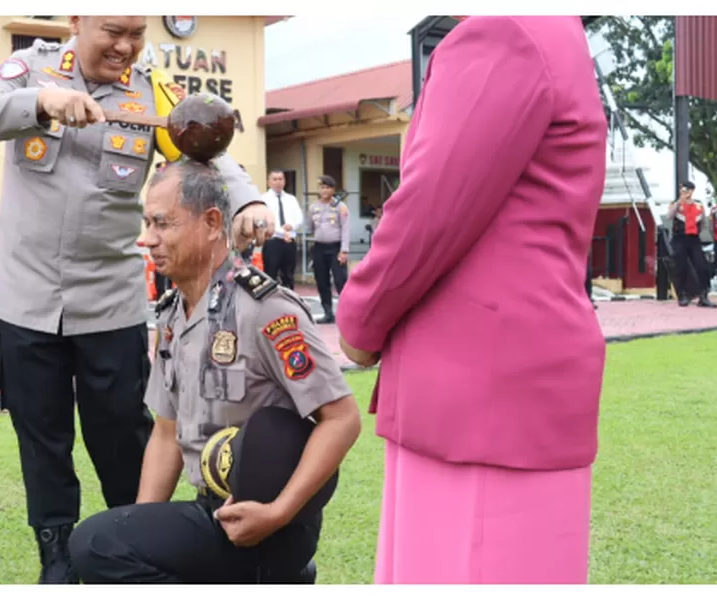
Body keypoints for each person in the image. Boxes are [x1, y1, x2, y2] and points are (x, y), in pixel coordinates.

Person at [0, 16, 278, 583]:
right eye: (111, 32)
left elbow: (209, 152)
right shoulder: (30, 69)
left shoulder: (153, 90)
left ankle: (134, 545)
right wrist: (42, 100)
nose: (125, 47)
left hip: (110, 304)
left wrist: (248, 201)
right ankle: (56, 556)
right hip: (24, 299)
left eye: (136, 33)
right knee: (42, 437)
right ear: (77, 22)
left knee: (123, 435)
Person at [336, 16, 608, 584]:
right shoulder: (552, 34)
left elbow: (429, 208)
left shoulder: (507, 31)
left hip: (479, 389)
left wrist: (359, 319)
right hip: (508, 379)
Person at [67, 160, 360, 584]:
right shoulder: (172, 316)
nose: (146, 239)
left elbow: (342, 419)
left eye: (162, 224)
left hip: (275, 523)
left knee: (93, 544)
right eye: (146, 223)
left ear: (211, 223)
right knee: (113, 541)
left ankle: (278, 576)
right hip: (215, 510)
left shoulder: (264, 308)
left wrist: (277, 514)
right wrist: (141, 525)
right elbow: (166, 434)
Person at [307, 175, 350, 324]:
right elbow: (310, 227)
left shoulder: (340, 207)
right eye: (322, 187)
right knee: (322, 280)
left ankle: (346, 313)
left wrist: (344, 250)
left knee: (340, 280)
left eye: (327, 188)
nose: (324, 190)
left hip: (336, 248)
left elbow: (345, 229)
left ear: (333, 189)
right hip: (319, 247)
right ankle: (327, 312)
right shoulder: (313, 207)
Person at [668, 181, 717, 307]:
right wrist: (680, 201)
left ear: (692, 191)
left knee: (702, 266)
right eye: (683, 189)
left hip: (694, 238)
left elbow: (703, 223)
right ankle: (682, 295)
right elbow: (669, 216)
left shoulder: (699, 205)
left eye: (688, 190)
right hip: (679, 238)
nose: (685, 192)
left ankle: (703, 295)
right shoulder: (676, 204)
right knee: (681, 267)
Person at [260, 169, 303, 288]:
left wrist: (291, 226)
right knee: (270, 275)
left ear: (284, 181)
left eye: (281, 179)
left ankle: (289, 302)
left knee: (288, 275)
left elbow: (299, 217)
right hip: (273, 242)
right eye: (275, 179)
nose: (278, 182)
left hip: (289, 242)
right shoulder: (263, 199)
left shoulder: (291, 199)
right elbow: (264, 221)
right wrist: (282, 232)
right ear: (269, 182)